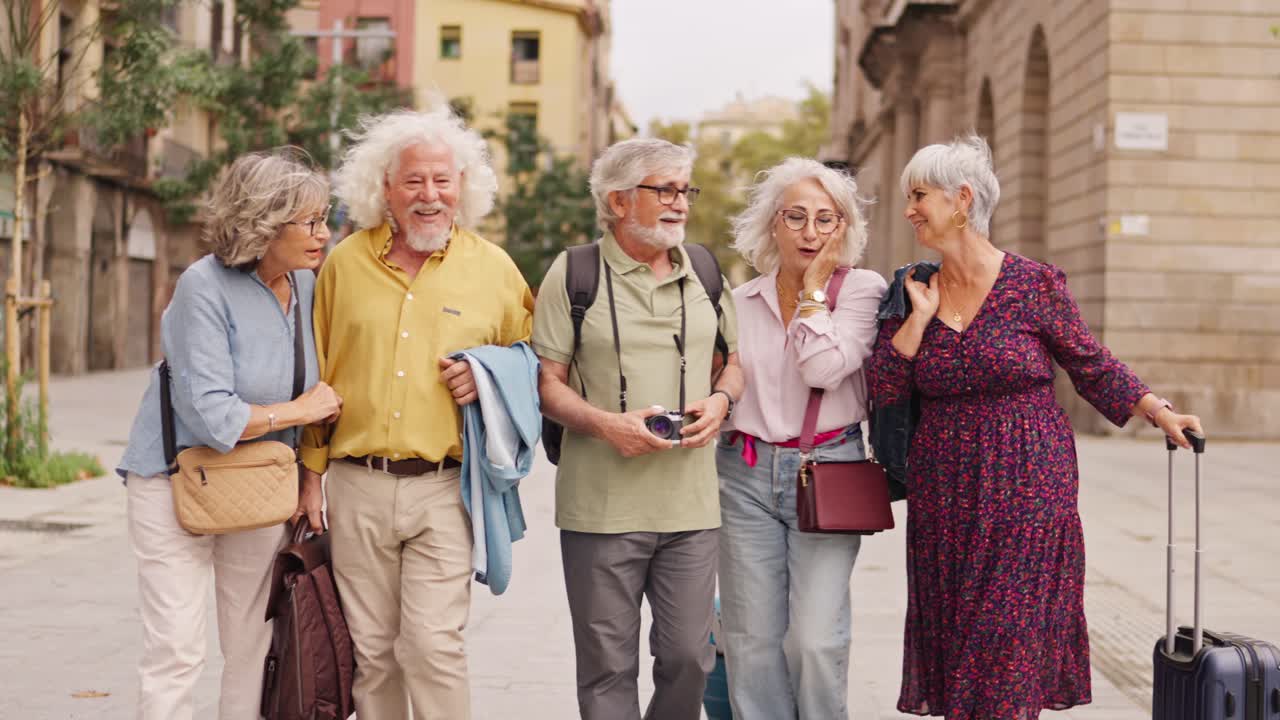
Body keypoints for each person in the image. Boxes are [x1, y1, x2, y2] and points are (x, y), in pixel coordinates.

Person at [867, 135, 1204, 720]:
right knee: (957, 631)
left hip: (1028, 476)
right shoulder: (913, 287)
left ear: (962, 200)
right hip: (943, 486)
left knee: (1005, 629)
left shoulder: (1034, 283)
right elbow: (886, 389)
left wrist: (1158, 410)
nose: (910, 210)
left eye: (919, 195)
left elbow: (1089, 362)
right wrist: (917, 322)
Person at [300, 107, 533, 720]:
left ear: (463, 187)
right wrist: (309, 477)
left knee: (432, 646)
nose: (429, 196)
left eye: (442, 181)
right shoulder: (344, 263)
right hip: (356, 484)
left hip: (443, 487)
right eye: (413, 182)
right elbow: (321, 370)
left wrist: (487, 375)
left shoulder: (495, 269)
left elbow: (532, 362)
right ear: (385, 189)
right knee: (374, 654)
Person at [116, 149, 341, 720]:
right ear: (265, 224)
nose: (324, 233)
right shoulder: (203, 287)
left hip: (261, 488)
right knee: (176, 650)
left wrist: (310, 482)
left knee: (251, 646)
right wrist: (300, 410)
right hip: (176, 481)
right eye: (311, 222)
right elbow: (215, 417)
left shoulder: (310, 288)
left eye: (326, 218)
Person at [533, 138, 745, 720]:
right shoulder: (573, 272)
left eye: (685, 190)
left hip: (691, 508)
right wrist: (605, 425)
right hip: (600, 508)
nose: (680, 202)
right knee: (607, 667)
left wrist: (722, 401)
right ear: (619, 201)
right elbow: (546, 383)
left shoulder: (704, 270)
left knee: (688, 659)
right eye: (665, 190)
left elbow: (732, 364)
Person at [715, 157, 887, 719]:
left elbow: (823, 370)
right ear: (772, 224)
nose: (811, 232)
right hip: (743, 475)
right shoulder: (738, 304)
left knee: (814, 639)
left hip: (828, 471)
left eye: (826, 219)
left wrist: (813, 292)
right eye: (795, 217)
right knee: (750, 640)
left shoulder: (861, 290)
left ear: (845, 229)